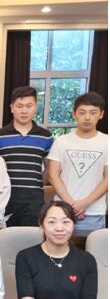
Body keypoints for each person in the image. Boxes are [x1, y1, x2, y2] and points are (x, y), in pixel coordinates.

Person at [0, 86, 53, 227]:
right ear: (12, 108)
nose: (24, 111)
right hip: (5, 200)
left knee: (30, 237)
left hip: (34, 201)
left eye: (29, 106)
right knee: (4, 237)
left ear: (35, 107)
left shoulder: (46, 137)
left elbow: (51, 168)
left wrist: (37, 184)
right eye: (19, 106)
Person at [47, 92, 107, 236]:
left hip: (93, 213)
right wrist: (71, 205)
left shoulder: (107, 142)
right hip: (62, 211)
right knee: (58, 248)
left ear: (101, 114)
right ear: (74, 114)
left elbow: (108, 178)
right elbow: (53, 175)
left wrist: (85, 203)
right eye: (82, 112)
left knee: (93, 249)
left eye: (93, 113)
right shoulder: (61, 141)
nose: (87, 117)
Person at [15, 201, 97, 299]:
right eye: (52, 222)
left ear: (74, 225)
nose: (59, 228)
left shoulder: (87, 260)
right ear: (41, 225)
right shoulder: (25, 257)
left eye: (65, 222)